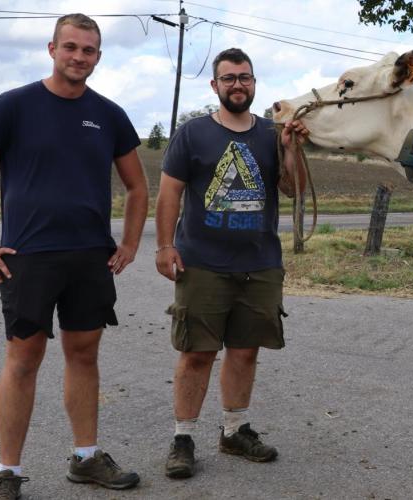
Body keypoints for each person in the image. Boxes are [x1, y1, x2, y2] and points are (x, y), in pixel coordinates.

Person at [0, 13, 147, 500]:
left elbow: (138, 186)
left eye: (89, 50)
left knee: (84, 355)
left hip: (90, 258)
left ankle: (86, 458)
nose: (79, 57)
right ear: (52, 49)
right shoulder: (13, 107)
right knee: (23, 360)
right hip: (28, 257)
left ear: (98, 56)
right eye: (71, 47)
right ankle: (8, 472)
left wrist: (129, 243)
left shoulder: (109, 114)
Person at [155, 47, 308, 479]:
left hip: (260, 263)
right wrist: (164, 246)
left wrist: (291, 150)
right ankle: (183, 438)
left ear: (254, 83)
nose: (237, 85)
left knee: (245, 351)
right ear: (215, 85)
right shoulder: (192, 134)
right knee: (197, 353)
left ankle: (234, 430)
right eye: (228, 78)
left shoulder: (271, 134)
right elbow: (169, 193)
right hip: (202, 263)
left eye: (244, 77)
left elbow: (294, 188)